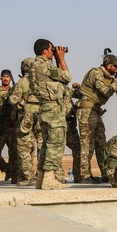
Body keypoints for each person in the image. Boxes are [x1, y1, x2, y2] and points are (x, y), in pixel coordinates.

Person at [29, 39, 72, 190]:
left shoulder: (34, 66)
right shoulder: (44, 65)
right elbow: (67, 77)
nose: (53, 52)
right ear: (45, 51)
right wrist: (61, 58)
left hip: (44, 107)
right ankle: (48, 178)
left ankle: (42, 178)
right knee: (56, 142)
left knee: (47, 144)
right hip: (53, 108)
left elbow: (59, 80)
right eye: (51, 49)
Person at [76, 53, 117, 183]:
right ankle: (84, 176)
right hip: (86, 111)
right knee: (87, 145)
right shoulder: (96, 74)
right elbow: (106, 92)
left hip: (95, 111)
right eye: (116, 66)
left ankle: (105, 172)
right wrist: (116, 81)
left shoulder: (106, 75)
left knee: (101, 143)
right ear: (108, 66)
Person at [9, 58, 40, 186]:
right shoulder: (41, 81)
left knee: (23, 147)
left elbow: (13, 100)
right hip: (40, 117)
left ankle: (28, 176)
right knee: (36, 147)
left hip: (25, 118)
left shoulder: (22, 82)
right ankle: (32, 175)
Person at [0, 69, 19, 184]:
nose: (6, 79)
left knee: (14, 153)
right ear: (1, 78)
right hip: (1, 126)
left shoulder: (15, 91)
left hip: (13, 126)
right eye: (4, 76)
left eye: (8, 76)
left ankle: (12, 175)